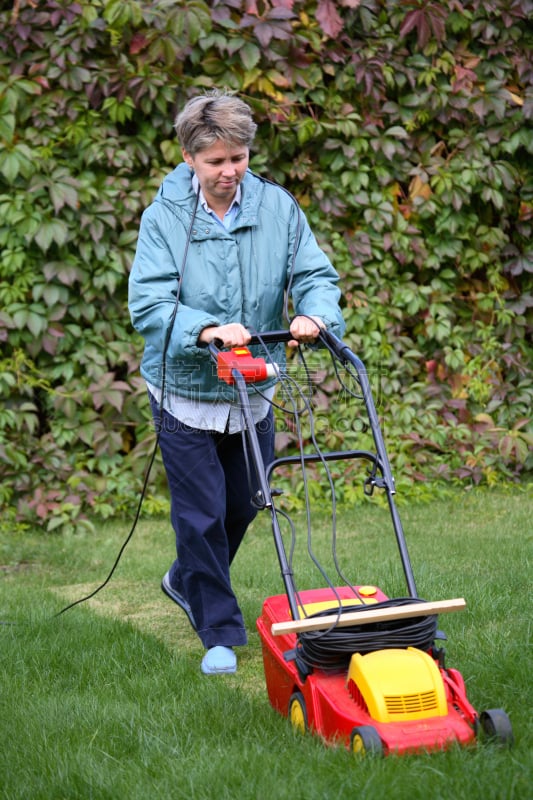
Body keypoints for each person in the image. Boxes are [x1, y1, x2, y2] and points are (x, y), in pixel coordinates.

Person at [128, 90, 344, 675]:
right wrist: (204, 330)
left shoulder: (278, 208)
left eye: (239, 158)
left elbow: (315, 274)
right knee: (198, 515)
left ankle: (184, 577)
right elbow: (149, 304)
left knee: (246, 502)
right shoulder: (165, 217)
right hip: (184, 393)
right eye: (215, 161)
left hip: (253, 389)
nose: (229, 172)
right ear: (190, 158)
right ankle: (219, 630)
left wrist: (315, 314)